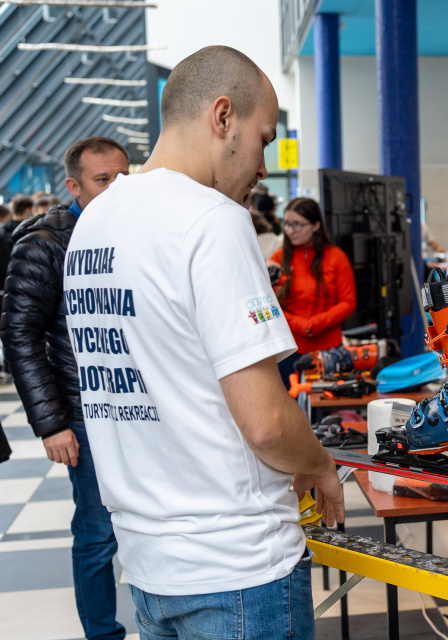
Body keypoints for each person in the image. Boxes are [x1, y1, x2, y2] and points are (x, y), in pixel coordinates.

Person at [62, 46, 344, 639]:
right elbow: (266, 422)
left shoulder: (95, 222)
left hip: (147, 564)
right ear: (222, 117)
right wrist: (319, 463)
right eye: (264, 138)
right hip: (238, 566)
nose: (264, 165)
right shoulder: (211, 220)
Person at [0, 136, 130, 640]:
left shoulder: (133, 230)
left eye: (124, 176)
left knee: (149, 526)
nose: (117, 188)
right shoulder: (44, 243)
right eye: (103, 180)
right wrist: (52, 423)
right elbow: (19, 334)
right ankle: (103, 635)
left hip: (137, 407)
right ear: (73, 186)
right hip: (83, 412)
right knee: (98, 534)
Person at [268, 197, 356, 387]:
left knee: (327, 407)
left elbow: (348, 302)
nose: (290, 231)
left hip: (328, 348)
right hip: (289, 348)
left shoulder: (336, 257)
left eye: (298, 225)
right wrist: (300, 324)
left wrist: (316, 323)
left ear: (316, 225)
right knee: (291, 405)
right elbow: (269, 305)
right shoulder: (278, 259)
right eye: (287, 224)